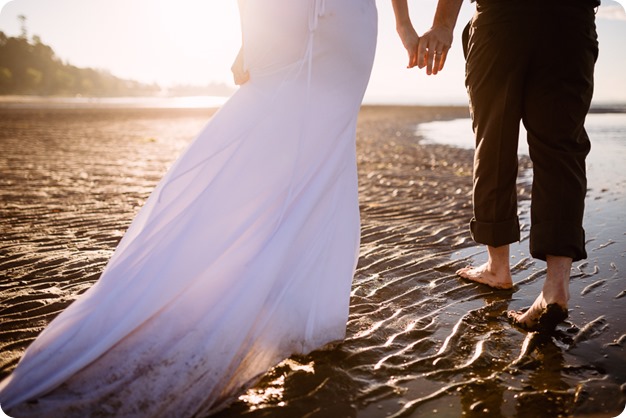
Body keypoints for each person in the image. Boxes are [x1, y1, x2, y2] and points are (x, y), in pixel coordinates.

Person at [0, 1, 381, 416]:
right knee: (276, 131)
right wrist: (250, 36)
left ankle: (289, 307)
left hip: (336, 16)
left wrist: (404, 21)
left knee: (322, 153)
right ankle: (233, 296)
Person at [417, 0, 599, 332]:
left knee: (494, 141)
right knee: (561, 148)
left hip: (503, 17)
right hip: (572, 19)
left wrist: (443, 23)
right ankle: (555, 287)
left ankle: (498, 267)